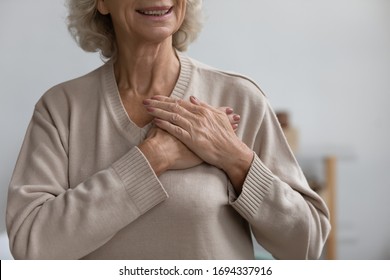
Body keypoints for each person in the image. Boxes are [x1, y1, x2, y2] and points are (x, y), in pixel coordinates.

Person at [6, 0, 330, 260]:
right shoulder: (61, 109)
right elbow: (31, 246)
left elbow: (306, 244)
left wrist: (235, 159)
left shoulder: (240, 98)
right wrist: (153, 157)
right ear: (101, 3)